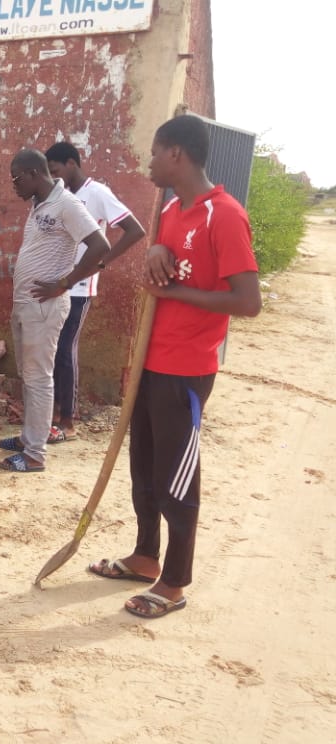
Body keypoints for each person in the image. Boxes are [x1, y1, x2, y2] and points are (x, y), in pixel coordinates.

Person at [87, 114, 261, 618]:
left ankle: (175, 583)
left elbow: (248, 301)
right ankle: (145, 557)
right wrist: (158, 247)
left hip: (186, 369)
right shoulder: (170, 209)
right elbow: (165, 257)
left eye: (155, 152)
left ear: (177, 155)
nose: (148, 162)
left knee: (177, 477)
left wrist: (174, 292)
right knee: (144, 466)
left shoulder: (224, 215)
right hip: (149, 362)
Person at [0, 149, 110, 472]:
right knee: (29, 376)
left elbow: (100, 247)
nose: (14, 186)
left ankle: (34, 456)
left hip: (45, 307)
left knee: (39, 378)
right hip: (26, 304)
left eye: (17, 179)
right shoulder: (39, 203)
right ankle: (27, 438)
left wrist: (65, 283)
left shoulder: (67, 204)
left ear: (34, 173)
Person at [44, 142, 147, 441]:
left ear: (72, 164)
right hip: (55, 283)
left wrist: (103, 262)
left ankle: (68, 422)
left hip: (78, 286)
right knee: (51, 351)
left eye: (56, 170)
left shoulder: (97, 193)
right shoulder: (59, 196)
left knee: (65, 349)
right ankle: (49, 417)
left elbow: (134, 229)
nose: (54, 177)